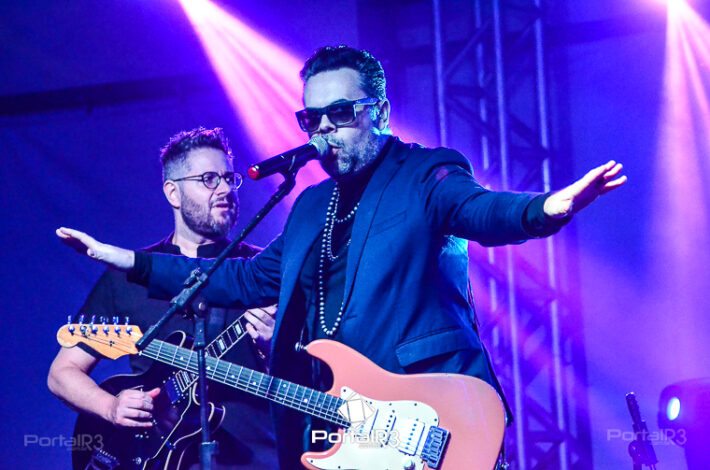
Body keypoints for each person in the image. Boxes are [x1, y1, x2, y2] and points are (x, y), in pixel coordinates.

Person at [56, 46, 627, 468]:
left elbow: (480, 210)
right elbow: (245, 278)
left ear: (380, 111)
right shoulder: (310, 207)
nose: (326, 128)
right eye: (312, 119)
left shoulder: (423, 173)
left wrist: (547, 207)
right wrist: (128, 260)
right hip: (351, 429)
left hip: (431, 414)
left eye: (342, 113)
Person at [49, 127, 279, 469]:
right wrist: (110, 407)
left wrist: (275, 347)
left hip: (256, 459)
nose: (225, 189)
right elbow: (62, 372)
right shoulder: (129, 277)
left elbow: (318, 378)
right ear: (173, 192)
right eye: (209, 179)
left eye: (229, 179)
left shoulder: (264, 273)